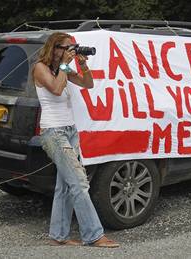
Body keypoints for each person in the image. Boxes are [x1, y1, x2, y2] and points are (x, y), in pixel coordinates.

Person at [32, 32, 119, 248]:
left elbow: (87, 84)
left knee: (65, 186)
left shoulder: (62, 67)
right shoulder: (40, 68)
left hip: (70, 130)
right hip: (54, 132)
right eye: (67, 47)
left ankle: (58, 236)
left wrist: (83, 65)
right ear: (55, 48)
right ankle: (94, 235)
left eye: (73, 47)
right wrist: (64, 65)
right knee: (79, 184)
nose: (71, 50)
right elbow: (56, 88)